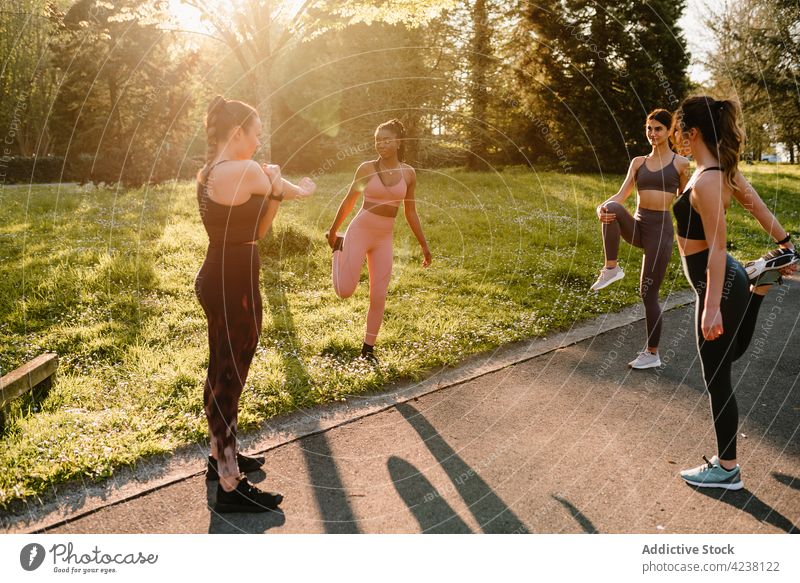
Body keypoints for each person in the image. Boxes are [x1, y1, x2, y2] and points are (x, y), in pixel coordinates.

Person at [195, 95, 315, 512]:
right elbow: (294, 190)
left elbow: (259, 230)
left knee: (229, 368)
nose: (260, 141)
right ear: (237, 133)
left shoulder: (216, 171)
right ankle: (229, 485)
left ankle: (220, 456)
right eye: (257, 133)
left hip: (233, 274)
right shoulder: (241, 169)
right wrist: (291, 184)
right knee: (228, 375)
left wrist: (276, 190)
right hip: (230, 281)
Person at [671, 96, 798, 490]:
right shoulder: (718, 172)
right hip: (732, 280)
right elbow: (757, 206)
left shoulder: (708, 178)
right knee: (726, 358)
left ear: (692, 133)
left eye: (678, 132)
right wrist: (787, 243)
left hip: (718, 280)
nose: (677, 139)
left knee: (716, 377)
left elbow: (718, 246)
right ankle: (760, 288)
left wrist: (710, 306)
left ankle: (726, 470)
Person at [325, 119, 431, 362]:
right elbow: (350, 200)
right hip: (360, 230)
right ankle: (339, 247)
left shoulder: (409, 173)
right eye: (377, 140)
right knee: (344, 291)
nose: (380, 144)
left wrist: (424, 245)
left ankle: (367, 350)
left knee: (379, 295)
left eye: (386, 139)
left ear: (398, 142)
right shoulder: (366, 169)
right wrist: (333, 231)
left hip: (384, 237)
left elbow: (410, 212)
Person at [591, 109, 690, 369]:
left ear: (669, 131)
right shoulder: (638, 162)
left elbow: (689, 198)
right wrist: (600, 208)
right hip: (638, 225)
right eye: (649, 128)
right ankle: (611, 268)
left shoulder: (681, 164)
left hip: (661, 232)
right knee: (612, 209)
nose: (653, 134)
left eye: (658, 129)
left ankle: (652, 353)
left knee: (648, 294)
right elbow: (621, 195)